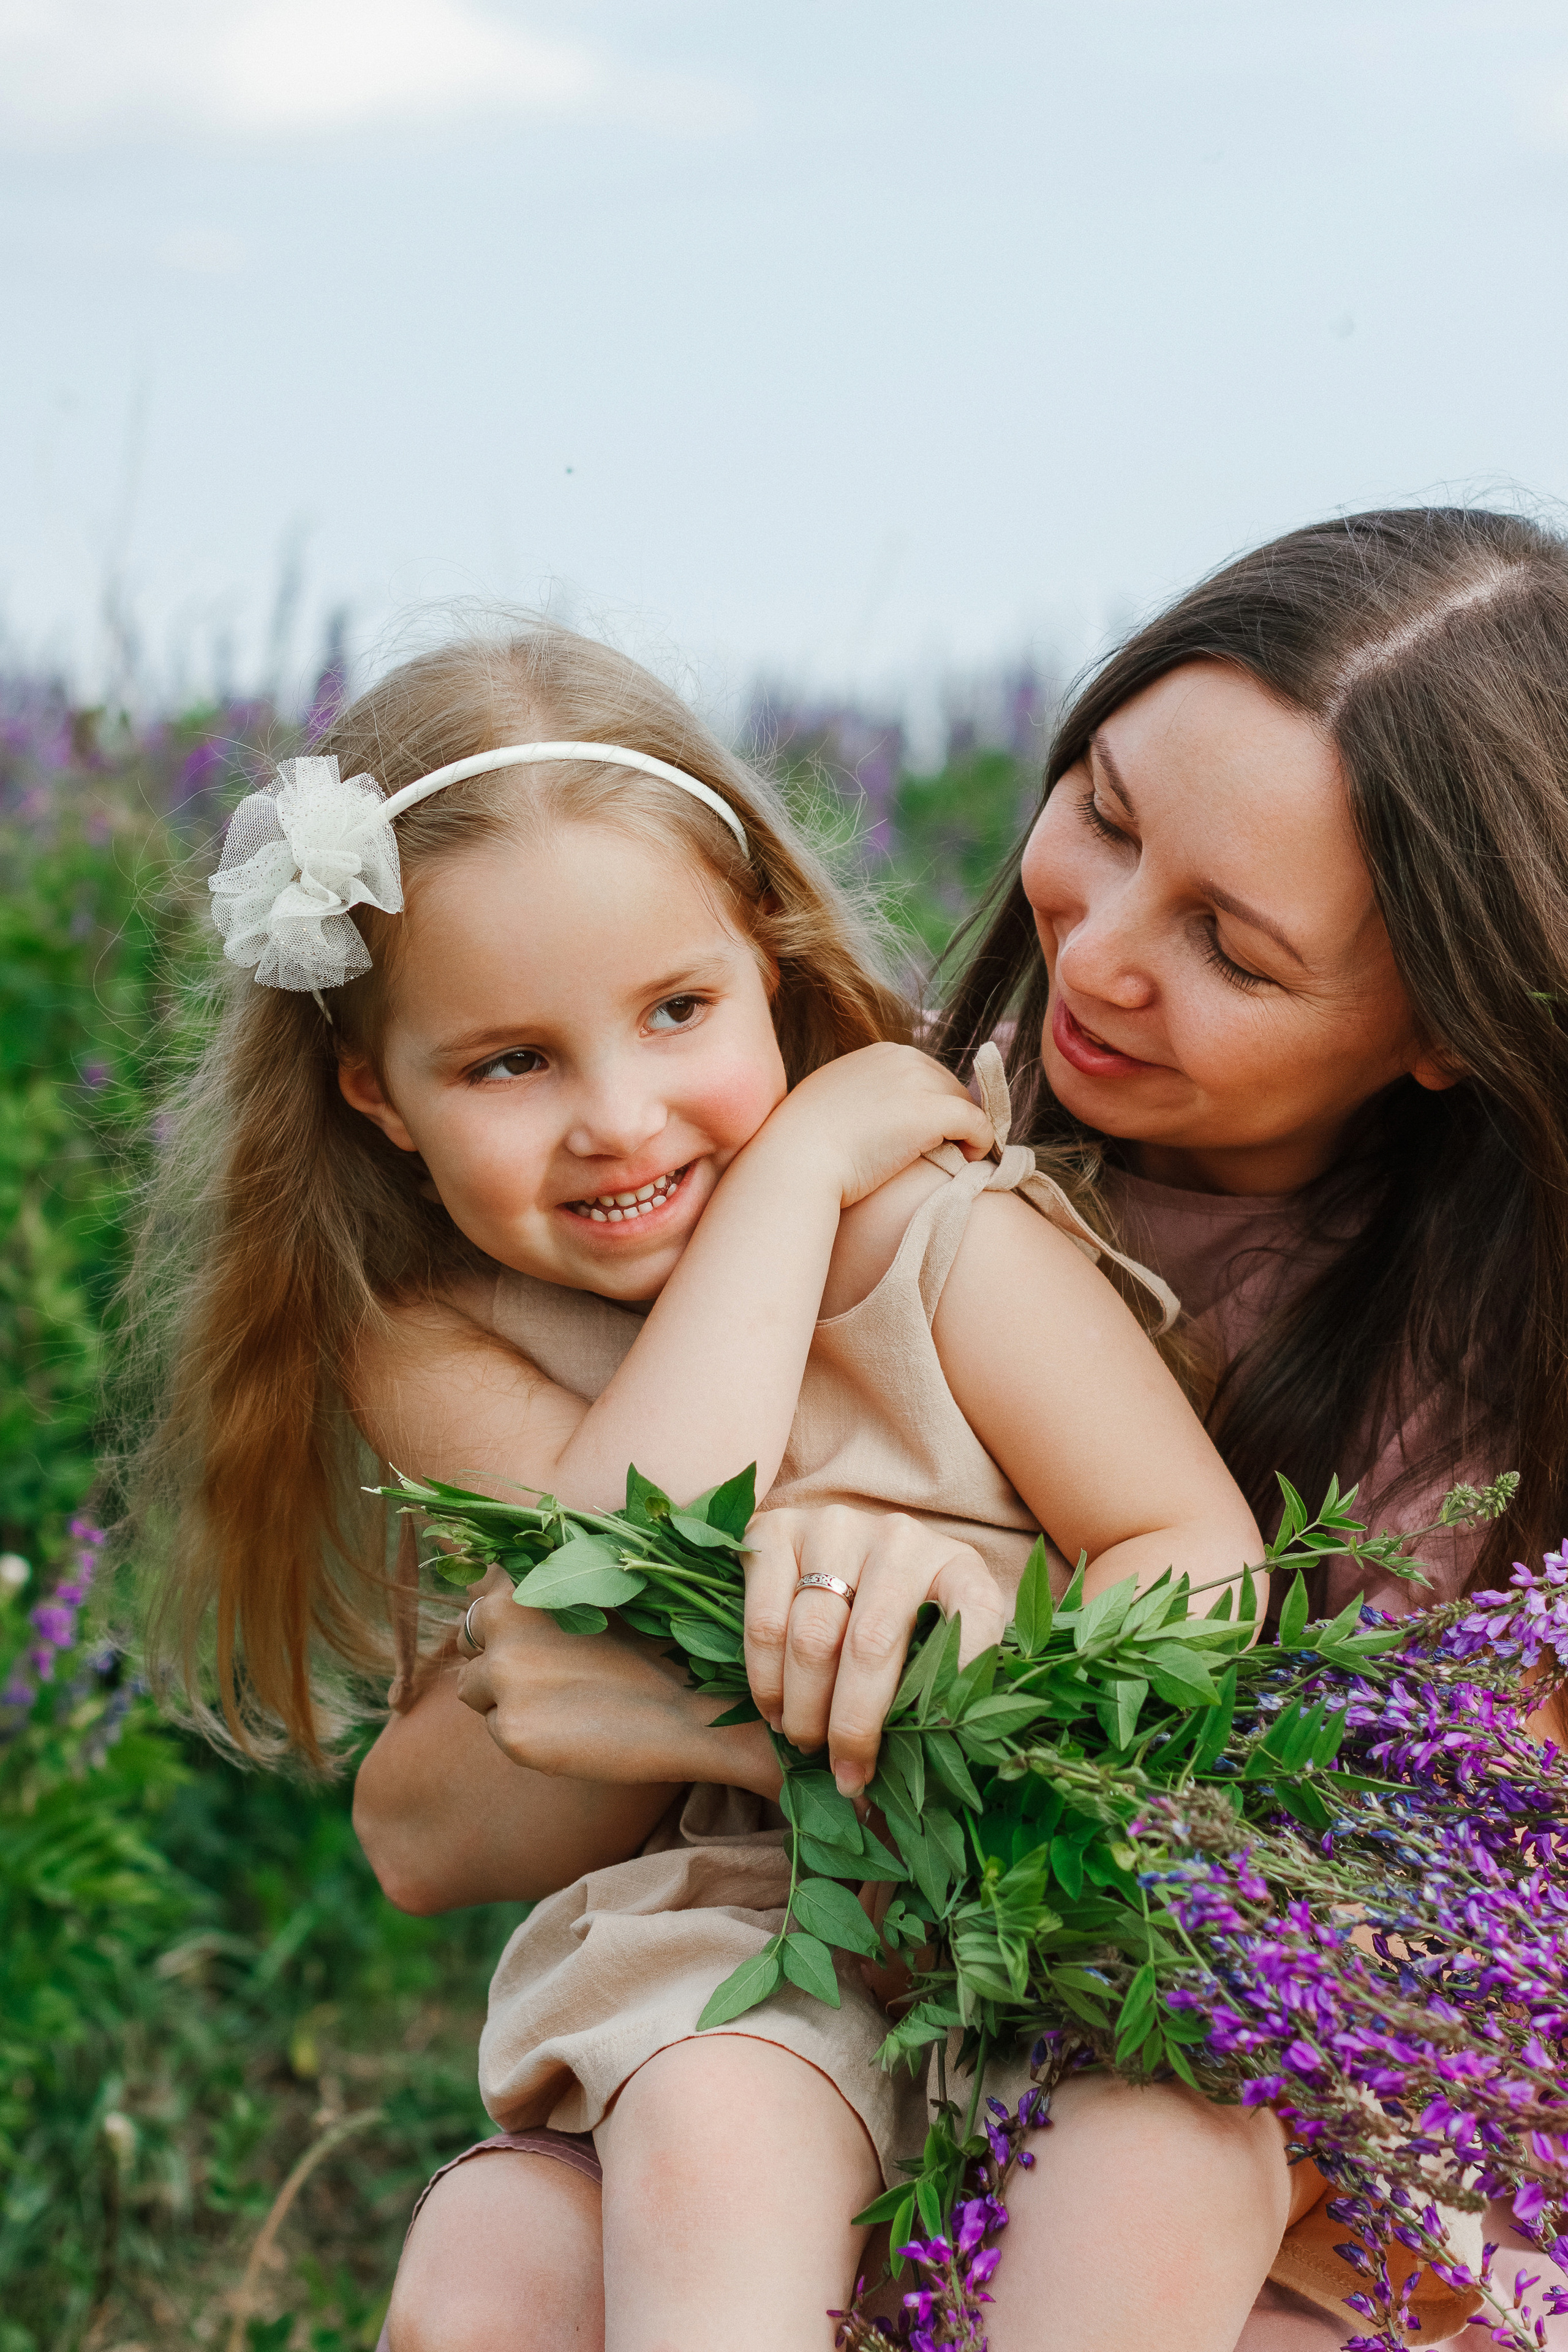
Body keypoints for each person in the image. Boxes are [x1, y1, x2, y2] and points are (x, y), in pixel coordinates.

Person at [357, 508, 1568, 2351]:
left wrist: (775, 1706)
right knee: (502, 2269)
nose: (1094, 961)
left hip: (1290, 2137)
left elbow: (1361, 1929)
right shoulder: (834, 1148)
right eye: (1103, 812)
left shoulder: (1503, 1402)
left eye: (1232, 950)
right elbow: (432, 1814)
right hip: (853, 2036)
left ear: (1441, 1027)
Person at [132, 619, 1290, 2352]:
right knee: (712, 2119)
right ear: (378, 1097)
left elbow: (1199, 1554)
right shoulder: (438, 1341)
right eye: (509, 1061)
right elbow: (625, 1551)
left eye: (677, 1012)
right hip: (745, 1936)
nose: (620, 1118)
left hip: (1060, 1883)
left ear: (767, 968)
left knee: (1169, 2161)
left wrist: (1028, 1681)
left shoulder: (940, 1239)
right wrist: (794, 1168)